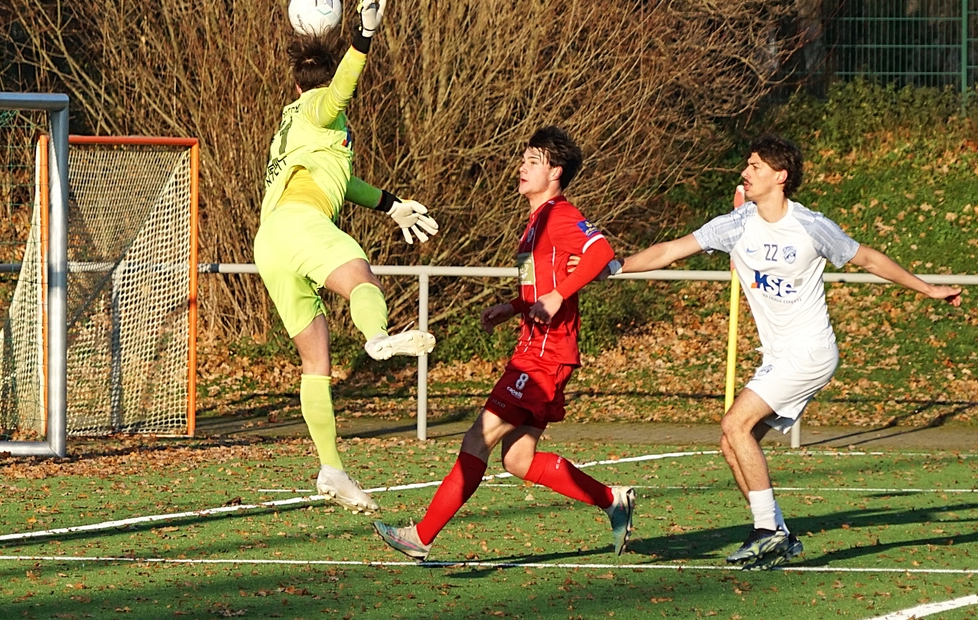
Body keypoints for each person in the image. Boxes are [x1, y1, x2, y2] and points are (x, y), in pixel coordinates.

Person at [599, 133, 962, 570]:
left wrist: (928, 289)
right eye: (747, 165)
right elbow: (671, 250)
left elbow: (867, 258)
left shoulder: (811, 226)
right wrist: (615, 266)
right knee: (733, 442)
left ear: (780, 176)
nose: (744, 173)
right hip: (778, 356)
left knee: (734, 423)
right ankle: (780, 536)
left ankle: (767, 531)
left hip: (809, 351)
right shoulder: (737, 224)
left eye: (754, 166)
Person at [373, 126, 636, 562]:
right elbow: (543, 283)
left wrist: (559, 295)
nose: (522, 167)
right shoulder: (535, 222)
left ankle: (420, 536)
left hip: (544, 355)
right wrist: (513, 307)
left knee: (479, 436)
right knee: (518, 459)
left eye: (533, 161)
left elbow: (600, 252)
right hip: (539, 349)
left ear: (555, 172)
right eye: (524, 159)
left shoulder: (560, 214)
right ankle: (612, 500)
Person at [253, 0, 439, 514]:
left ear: (293, 81)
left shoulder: (292, 124)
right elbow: (338, 93)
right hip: (299, 224)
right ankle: (377, 336)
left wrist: (390, 204)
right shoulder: (319, 107)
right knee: (361, 278)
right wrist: (363, 36)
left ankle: (331, 467)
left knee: (316, 361)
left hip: (271, 242)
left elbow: (342, 182)